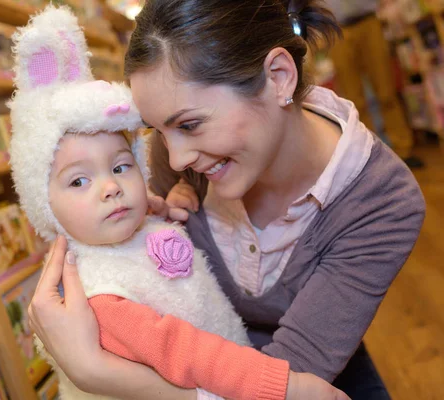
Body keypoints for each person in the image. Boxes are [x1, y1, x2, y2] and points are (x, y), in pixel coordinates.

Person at [28, 0, 426, 399]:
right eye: (159, 131)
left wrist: (99, 373)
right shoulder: (181, 153)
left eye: (190, 124)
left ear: (279, 77)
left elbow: (285, 384)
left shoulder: (382, 200)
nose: (176, 157)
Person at [324, 0, 424, 168]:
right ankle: (368, 157)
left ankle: (404, 150)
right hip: (335, 29)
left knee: (386, 91)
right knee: (353, 101)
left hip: (369, 22)